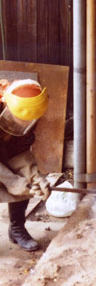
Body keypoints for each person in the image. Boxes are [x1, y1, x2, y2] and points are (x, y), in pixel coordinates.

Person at [0, 79, 51, 251]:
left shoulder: (29, 119)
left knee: (25, 180)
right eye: (17, 119)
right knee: (16, 182)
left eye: (25, 121)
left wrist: (35, 177)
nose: (21, 124)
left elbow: (20, 153)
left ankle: (16, 228)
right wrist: (11, 181)